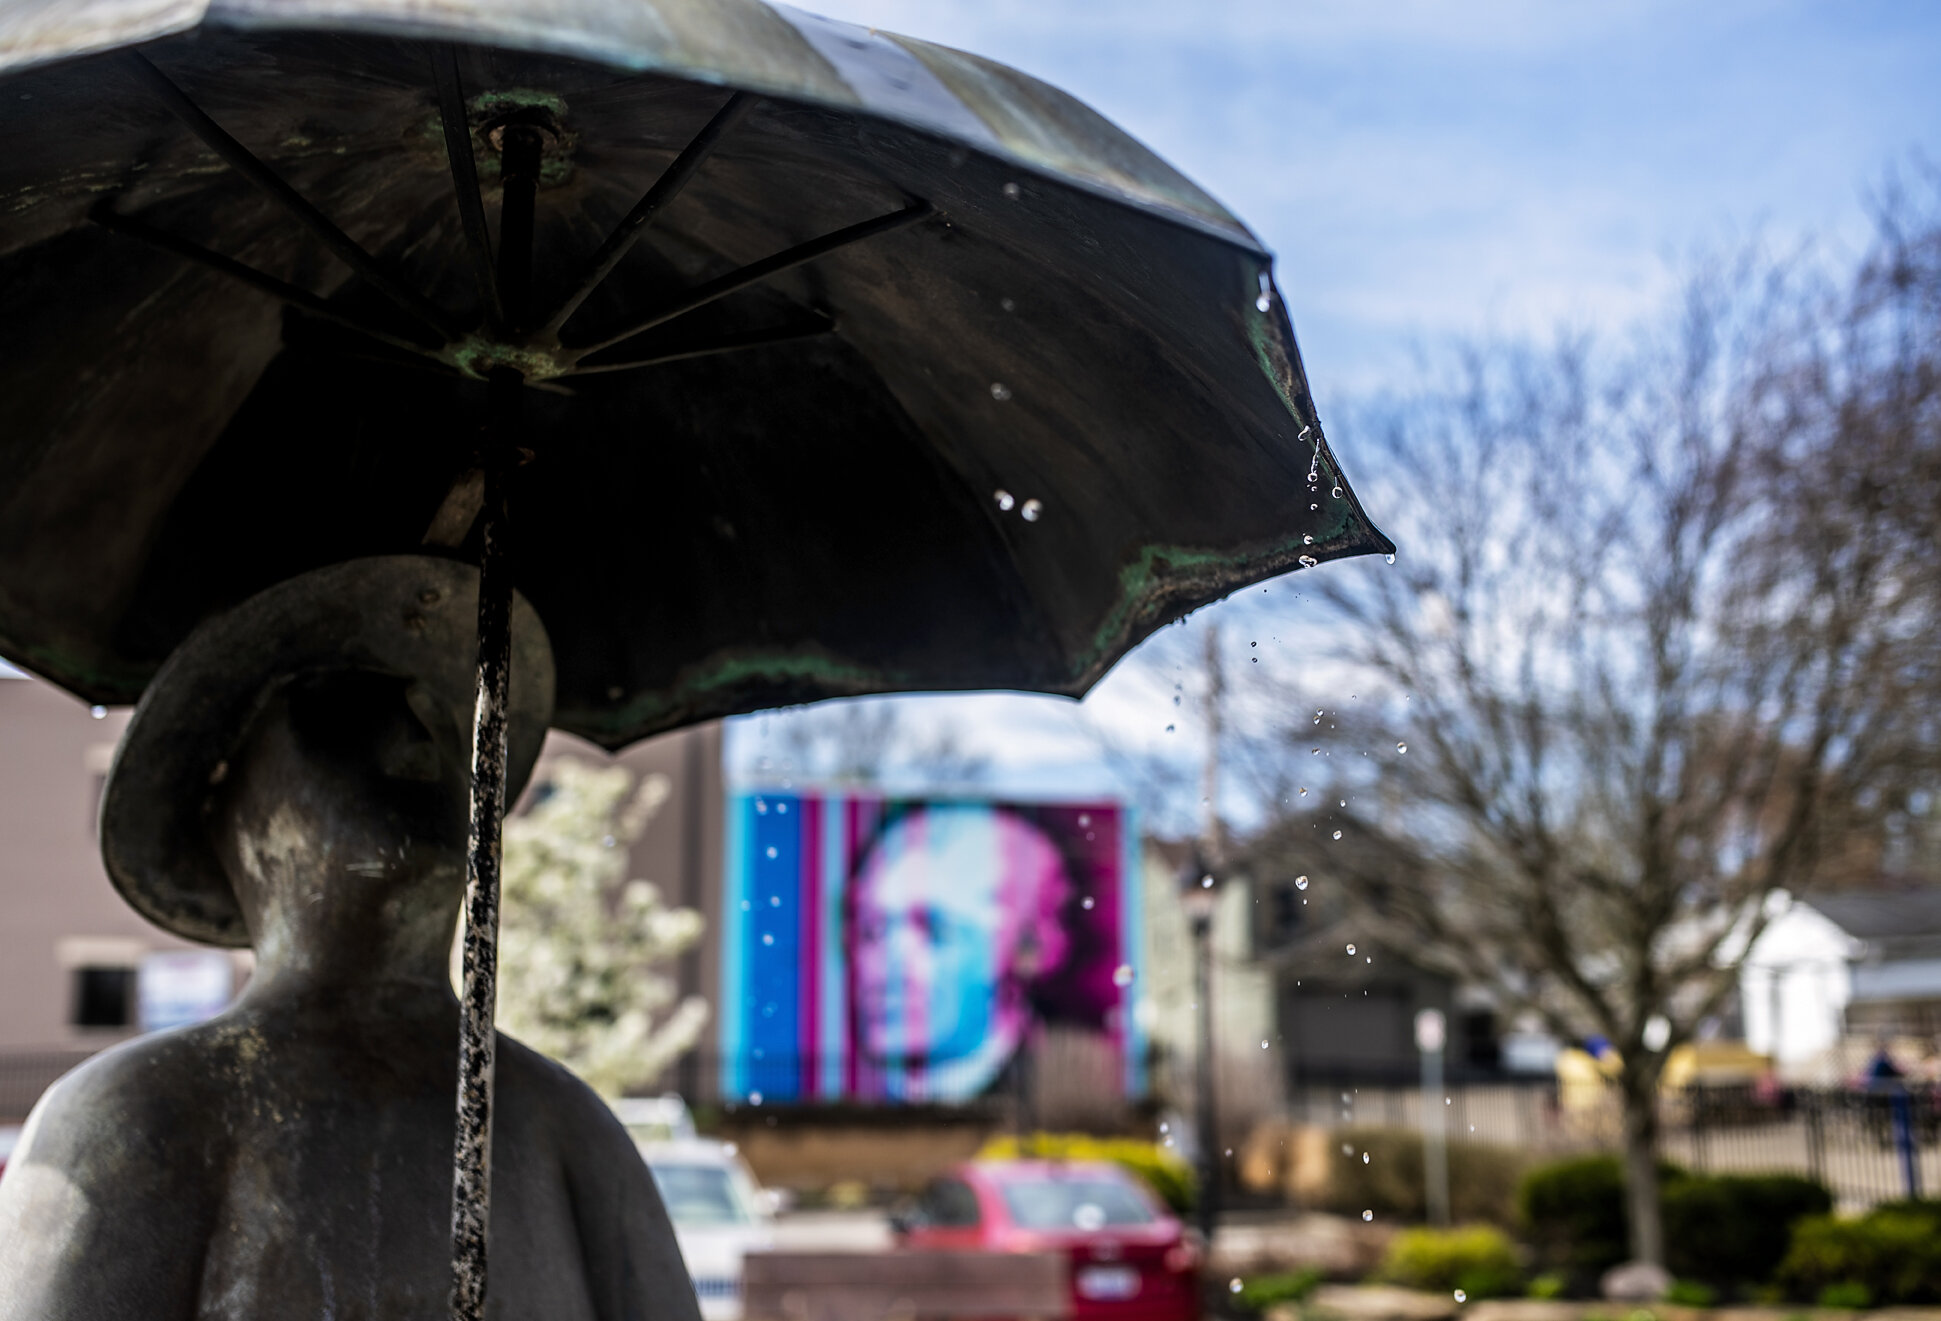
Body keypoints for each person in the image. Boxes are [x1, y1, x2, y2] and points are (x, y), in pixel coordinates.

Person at [0, 556, 697, 1321]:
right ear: (223, 799)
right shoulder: (135, 1120)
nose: (417, 722)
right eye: (342, 700)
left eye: (441, 703)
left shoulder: (566, 1128)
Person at [847, 804, 1080, 1101]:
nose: (881, 967)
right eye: (871, 930)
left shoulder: (1064, 1081)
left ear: (1029, 949)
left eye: (935, 931)